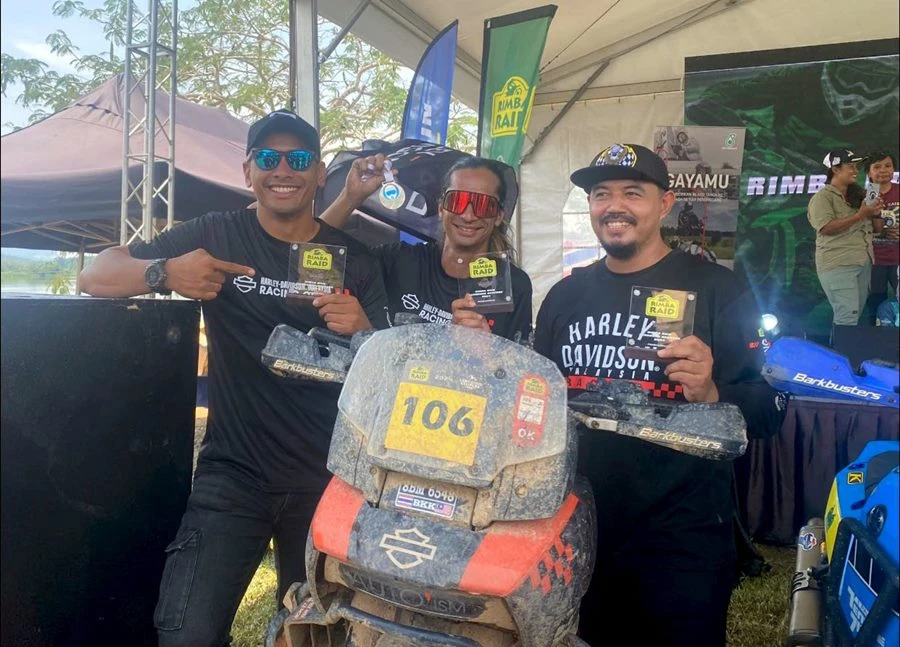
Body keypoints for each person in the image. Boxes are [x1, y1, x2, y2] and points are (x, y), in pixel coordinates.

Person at [79, 109, 390, 646]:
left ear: (319, 174)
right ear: (248, 171)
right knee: (186, 635)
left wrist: (365, 333)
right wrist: (165, 273)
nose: (283, 169)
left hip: (328, 480)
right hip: (235, 476)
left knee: (319, 639)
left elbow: (393, 377)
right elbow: (95, 274)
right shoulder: (215, 234)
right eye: (268, 157)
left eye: (299, 159)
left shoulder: (355, 260)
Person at [533, 143, 784, 646]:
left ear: (665, 204)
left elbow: (769, 409)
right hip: (582, 526)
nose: (614, 206)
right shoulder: (565, 296)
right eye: (601, 194)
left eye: (633, 192)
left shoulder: (716, 288)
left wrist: (712, 389)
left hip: (682, 536)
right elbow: (539, 401)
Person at [320, 154, 533, 340]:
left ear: (498, 217)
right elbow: (315, 256)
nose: (468, 216)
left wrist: (487, 351)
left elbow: (518, 369)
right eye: (457, 201)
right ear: (441, 208)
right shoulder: (399, 261)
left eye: (484, 205)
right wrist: (350, 197)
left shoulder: (514, 286)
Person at [807, 148, 883, 327]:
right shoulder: (822, 198)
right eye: (851, 166)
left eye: (856, 166)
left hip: (863, 263)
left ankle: (843, 345)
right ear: (835, 169)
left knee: (854, 316)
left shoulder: (859, 196)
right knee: (847, 317)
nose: (856, 171)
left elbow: (877, 229)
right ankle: (841, 347)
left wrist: (876, 213)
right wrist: (860, 215)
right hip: (839, 264)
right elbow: (826, 228)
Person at [863, 150, 899, 324]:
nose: (883, 170)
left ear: (894, 169)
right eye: (877, 167)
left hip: (898, 259)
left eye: (888, 166)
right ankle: (875, 336)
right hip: (875, 261)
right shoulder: (866, 195)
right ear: (868, 172)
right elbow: (860, 226)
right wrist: (883, 231)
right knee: (875, 305)